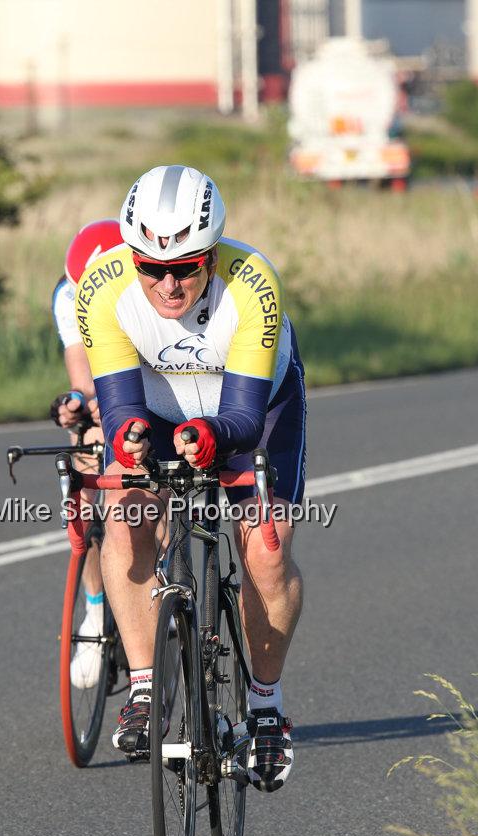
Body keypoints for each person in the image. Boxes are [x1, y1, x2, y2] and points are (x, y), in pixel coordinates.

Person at [75, 166, 306, 793]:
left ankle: (264, 705)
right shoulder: (101, 289)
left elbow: (241, 417)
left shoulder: (252, 282)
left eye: (188, 266)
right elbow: (121, 407)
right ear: (132, 256)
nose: (169, 283)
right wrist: (128, 439)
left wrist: (210, 437)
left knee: (266, 545)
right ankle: (148, 687)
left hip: (251, 407)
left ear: (214, 253)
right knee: (126, 523)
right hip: (155, 404)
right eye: (152, 267)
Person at [49, 219, 123, 689]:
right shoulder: (68, 295)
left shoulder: (146, 286)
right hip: (102, 382)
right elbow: (83, 377)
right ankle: (96, 613)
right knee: (84, 482)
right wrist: (80, 410)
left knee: (142, 494)